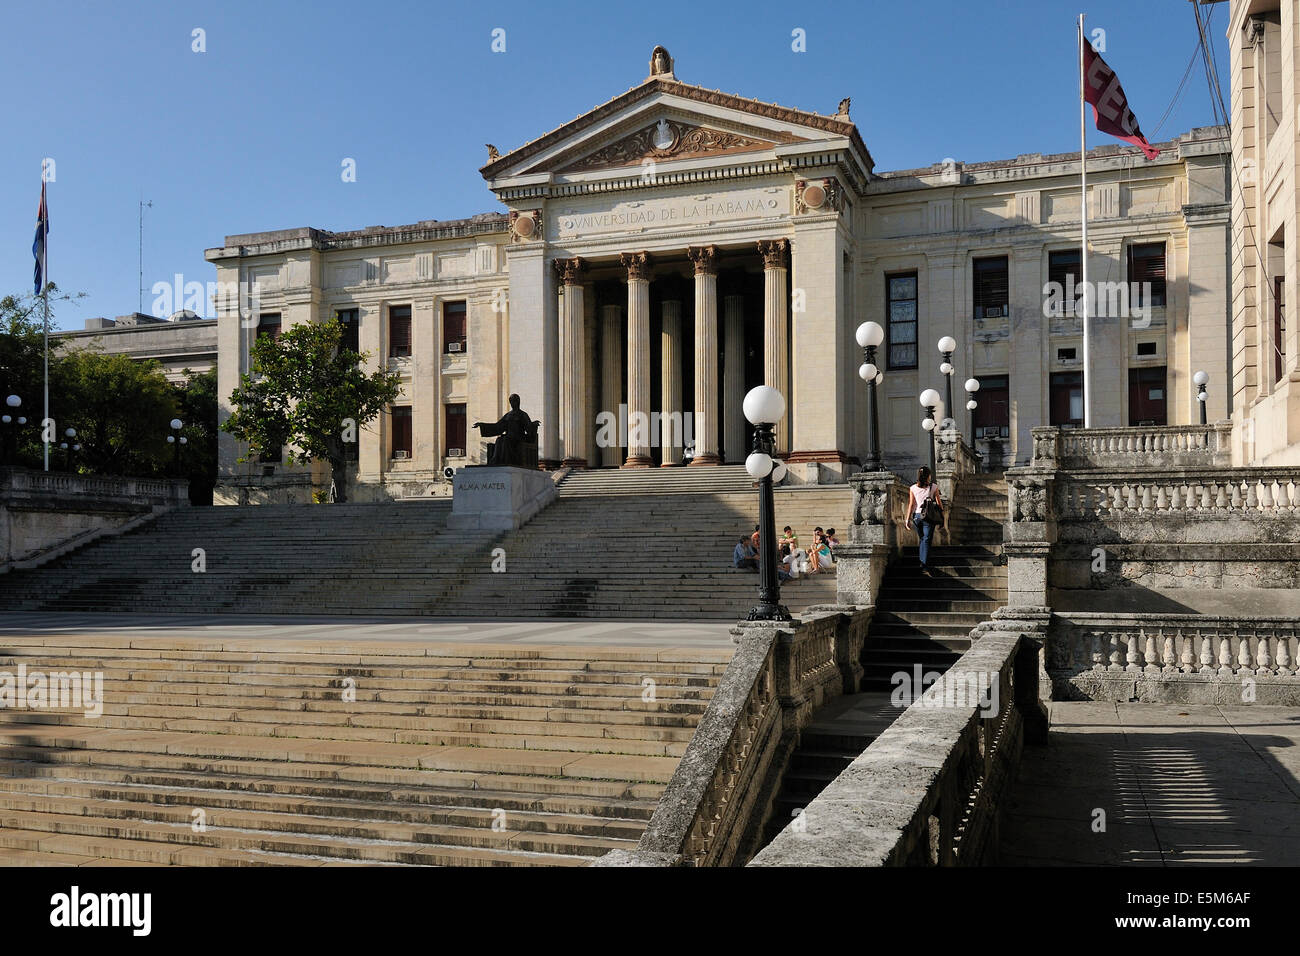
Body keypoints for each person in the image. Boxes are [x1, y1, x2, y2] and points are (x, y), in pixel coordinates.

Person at [906, 466, 944, 576]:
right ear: (928, 476)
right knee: (926, 540)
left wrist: (907, 519)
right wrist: (942, 517)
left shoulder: (912, 488)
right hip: (928, 517)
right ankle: (924, 566)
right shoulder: (933, 487)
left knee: (923, 539)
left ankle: (922, 562)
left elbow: (911, 505)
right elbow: (939, 503)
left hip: (917, 517)